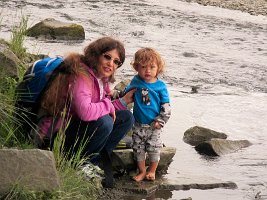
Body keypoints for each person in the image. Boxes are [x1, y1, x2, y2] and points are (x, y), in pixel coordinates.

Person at [38, 36, 135, 187]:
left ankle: (95, 162)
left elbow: (102, 107)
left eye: (116, 61)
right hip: (55, 136)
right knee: (105, 122)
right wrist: (108, 106)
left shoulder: (100, 78)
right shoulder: (81, 75)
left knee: (126, 117)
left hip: (74, 128)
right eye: (107, 57)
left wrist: (123, 102)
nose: (111, 64)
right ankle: (80, 163)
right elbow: (85, 112)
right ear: (96, 54)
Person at [125, 47, 171, 182]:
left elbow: (166, 108)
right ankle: (142, 171)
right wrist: (115, 95)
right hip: (138, 124)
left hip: (154, 125)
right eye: (143, 67)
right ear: (136, 67)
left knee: (154, 148)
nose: (148, 70)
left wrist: (160, 121)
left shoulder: (161, 86)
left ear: (158, 68)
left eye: (152, 67)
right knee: (138, 149)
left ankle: (152, 171)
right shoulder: (136, 81)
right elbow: (126, 94)